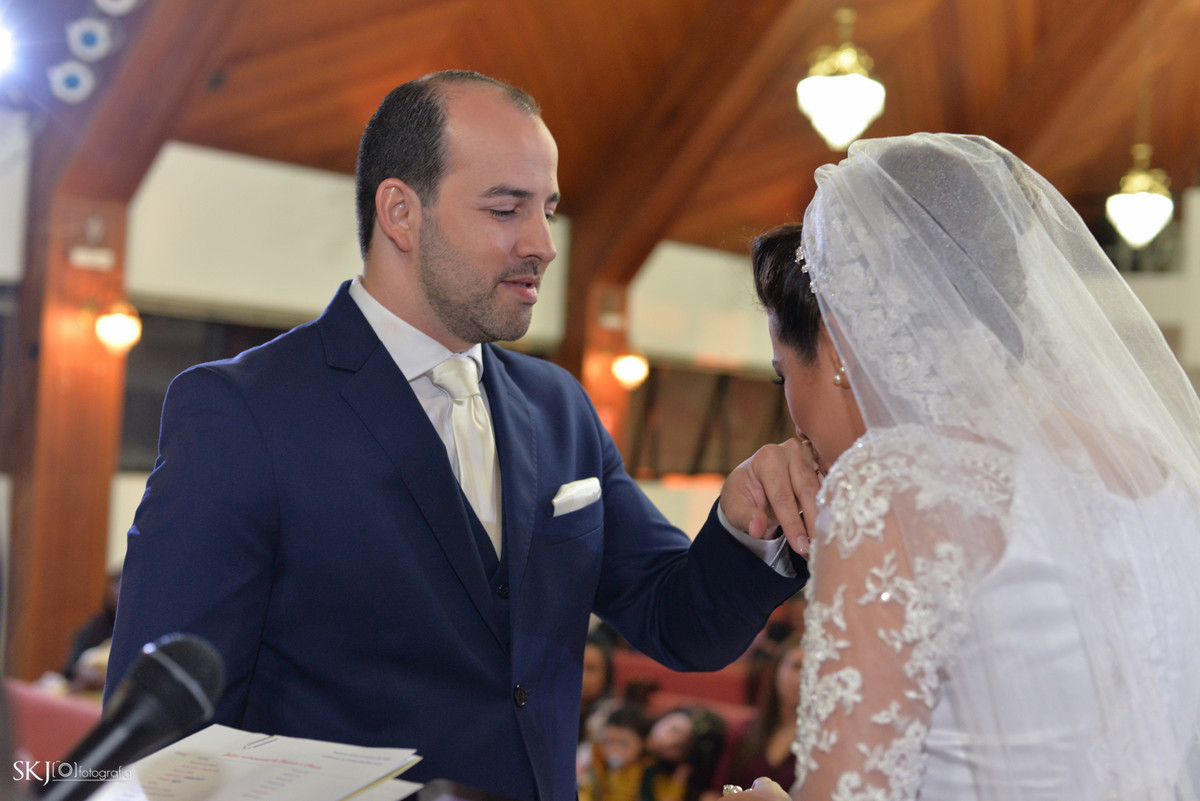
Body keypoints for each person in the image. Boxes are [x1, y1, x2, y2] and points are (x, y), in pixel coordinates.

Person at [105, 70, 813, 801]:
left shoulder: (558, 406)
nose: (543, 244)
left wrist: (745, 522)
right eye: (506, 209)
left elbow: (679, 622)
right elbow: (160, 742)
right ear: (401, 213)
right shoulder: (245, 412)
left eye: (548, 210)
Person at [729, 133, 1200, 800]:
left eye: (783, 375)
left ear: (836, 343)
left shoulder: (895, 488)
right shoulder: (1153, 470)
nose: (793, 416)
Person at [707, 633, 802, 797]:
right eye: (797, 666)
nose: (803, 678)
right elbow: (714, 792)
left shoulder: (826, 742)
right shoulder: (745, 731)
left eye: (814, 670)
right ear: (777, 670)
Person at [642, 706, 727, 801]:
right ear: (670, 716)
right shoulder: (633, 725)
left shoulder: (663, 773)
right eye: (674, 730)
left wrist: (680, 777)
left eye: (679, 748)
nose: (666, 743)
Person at [579, 704, 652, 801]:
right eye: (609, 741)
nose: (614, 749)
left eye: (623, 743)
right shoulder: (593, 764)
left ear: (642, 744)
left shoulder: (649, 772)